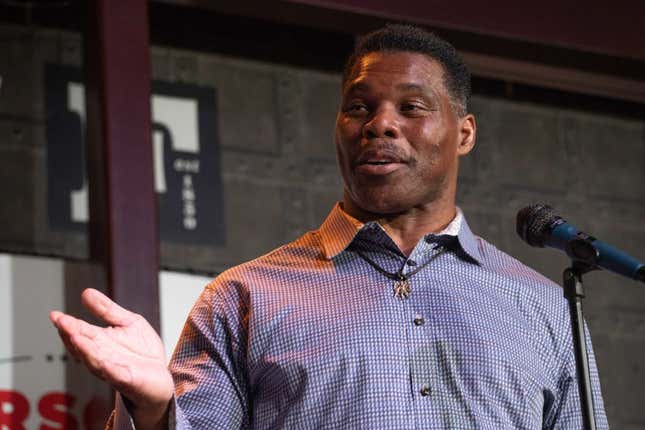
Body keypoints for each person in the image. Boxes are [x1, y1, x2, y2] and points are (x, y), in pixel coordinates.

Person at [51, 24, 608, 429]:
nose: (380, 124)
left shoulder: (546, 310)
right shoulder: (244, 296)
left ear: (463, 134)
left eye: (412, 106)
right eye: (359, 107)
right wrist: (154, 411)